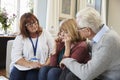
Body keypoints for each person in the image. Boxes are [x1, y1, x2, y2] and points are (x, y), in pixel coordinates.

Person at [60, 7, 120, 80]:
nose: (76, 31)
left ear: (88, 30)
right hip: (99, 76)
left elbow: (86, 75)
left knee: (71, 76)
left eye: (78, 29)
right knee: (71, 74)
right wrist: (72, 41)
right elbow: (89, 45)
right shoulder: (100, 36)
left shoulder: (109, 40)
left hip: (107, 78)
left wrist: (66, 60)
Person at [9, 12, 54, 80]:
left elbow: (53, 51)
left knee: (32, 77)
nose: (34, 25)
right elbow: (15, 56)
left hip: (39, 67)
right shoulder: (20, 37)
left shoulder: (45, 33)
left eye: (35, 22)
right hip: (22, 66)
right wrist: (30, 64)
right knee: (15, 75)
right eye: (30, 24)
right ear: (25, 27)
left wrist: (45, 65)